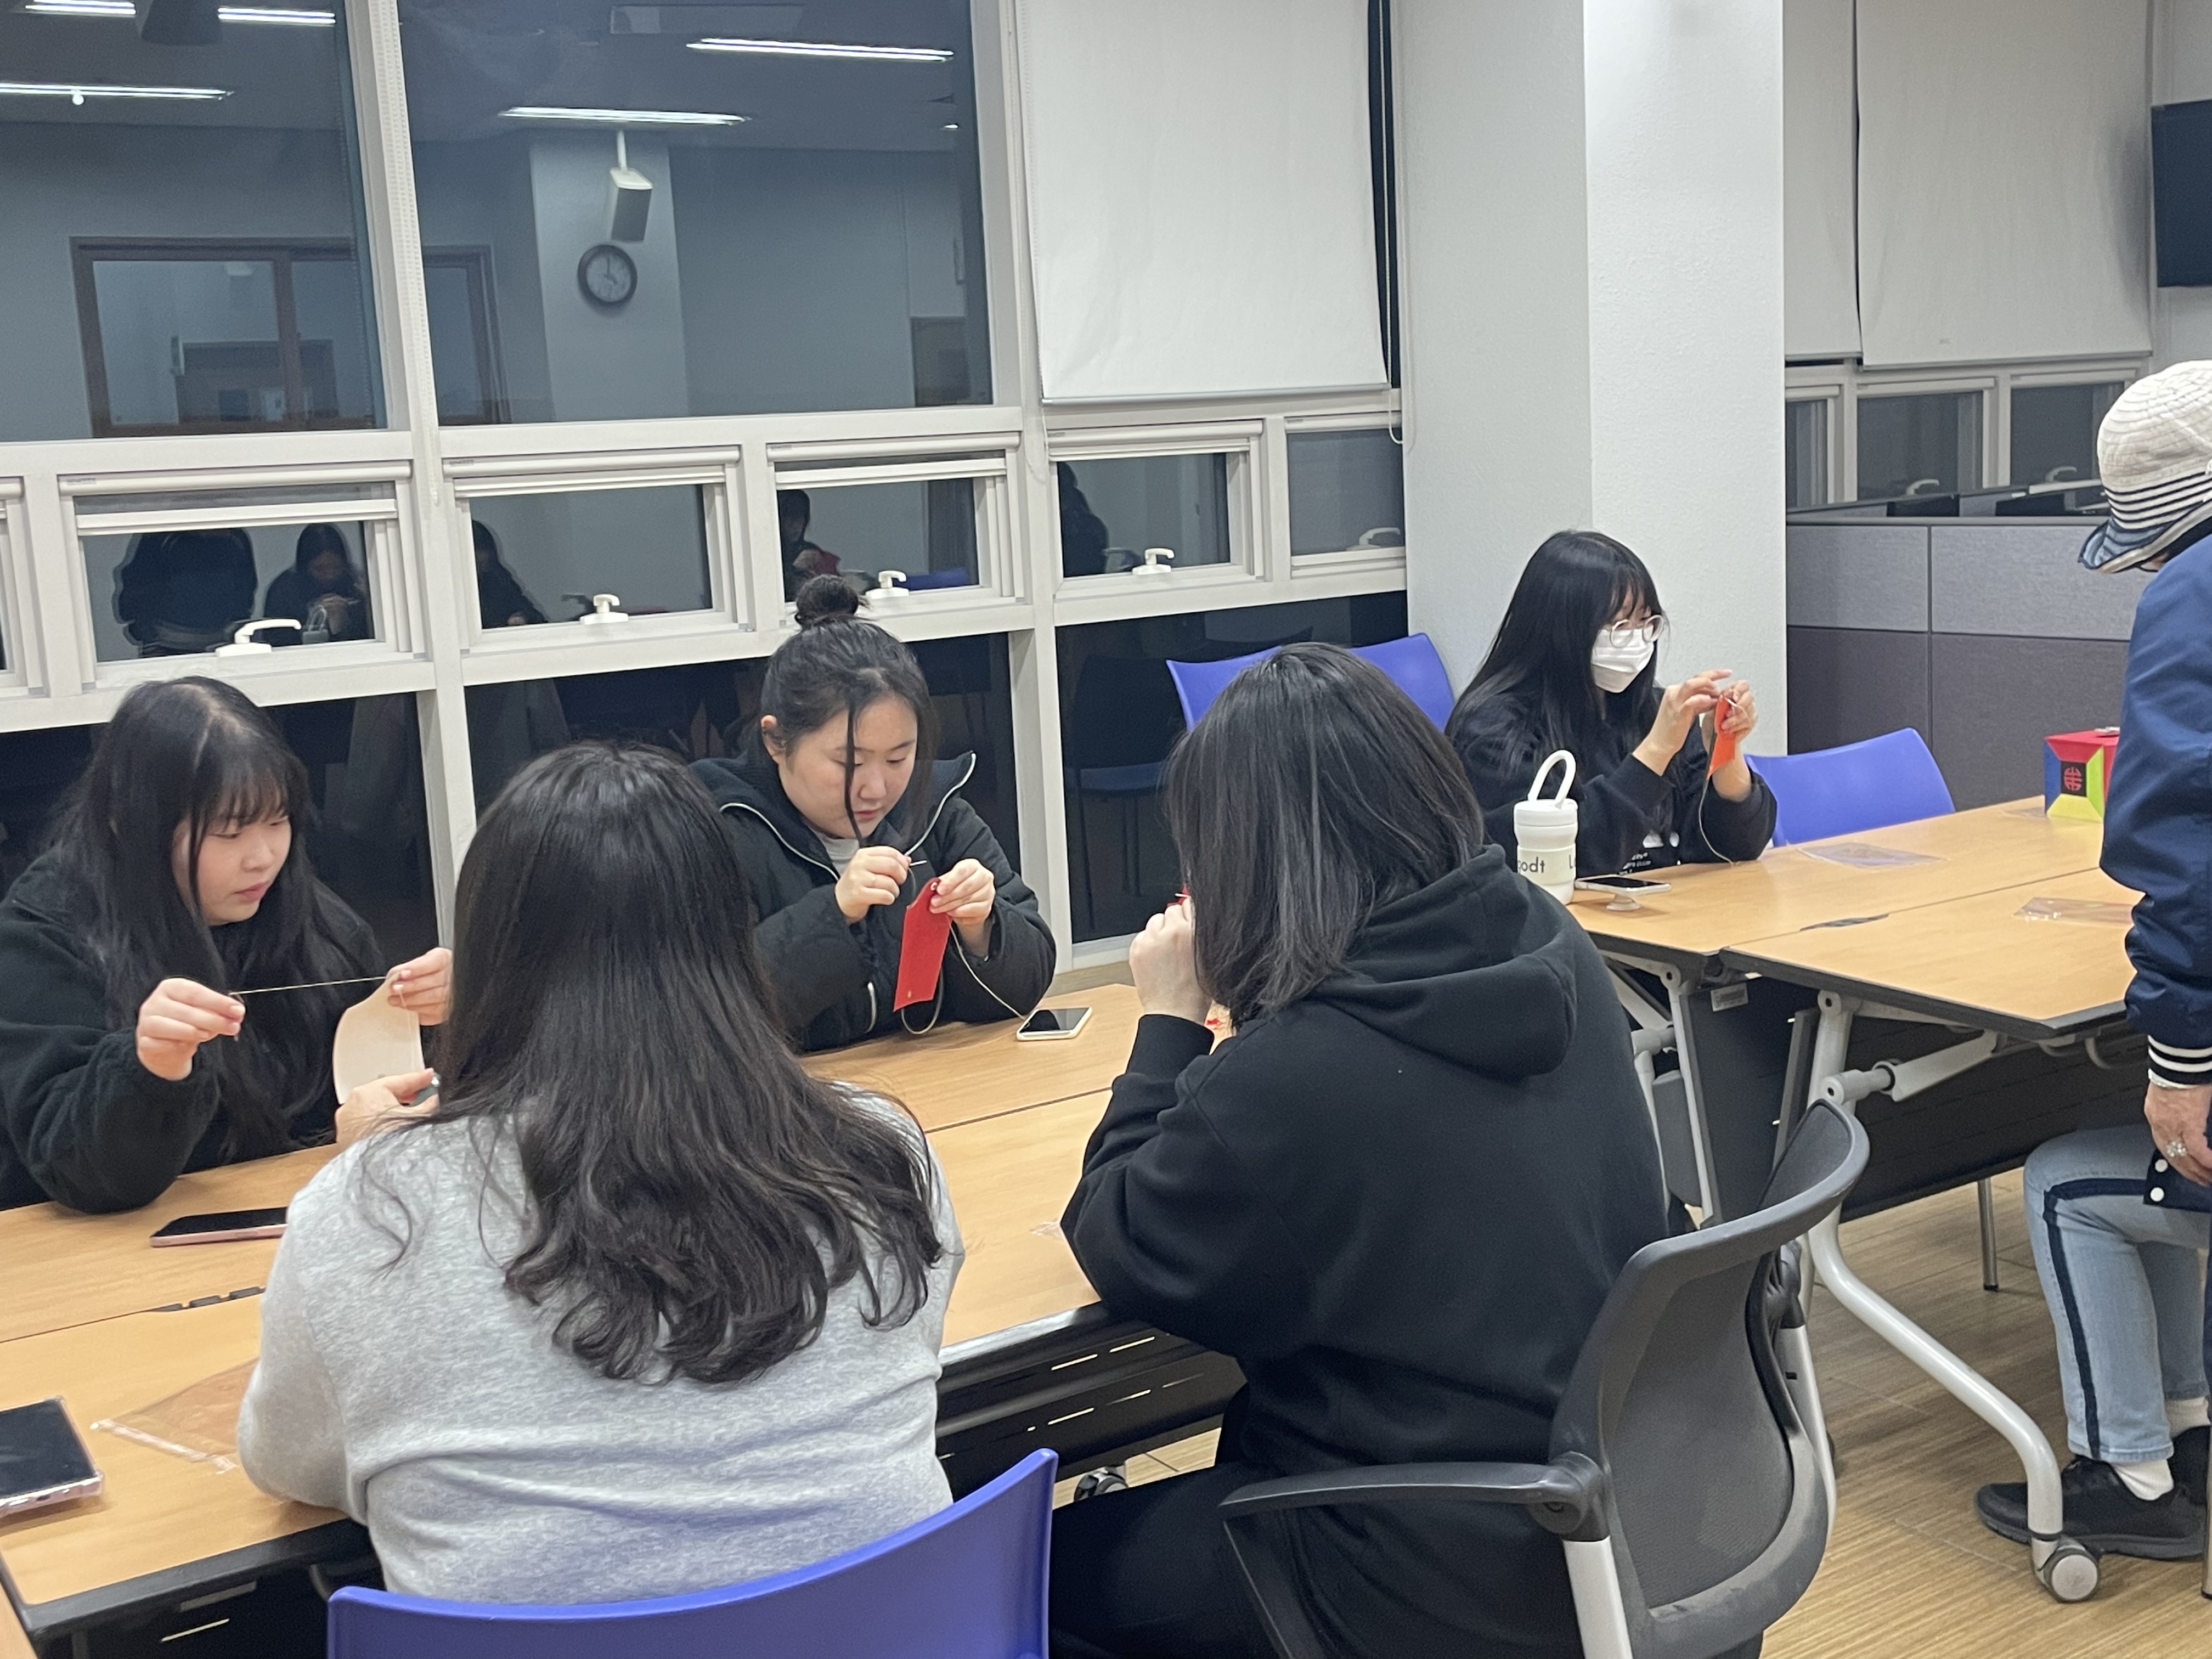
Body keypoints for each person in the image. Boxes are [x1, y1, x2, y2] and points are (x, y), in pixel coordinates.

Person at [1051, 644, 1669, 1659]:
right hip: (1611, 1512)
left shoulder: (1298, 1072)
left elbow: (1122, 1235)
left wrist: (1166, 1022)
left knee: (1027, 1574)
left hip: (1421, 1563)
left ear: (1245, 859)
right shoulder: (1547, 937)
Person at [239, 743, 961, 1605]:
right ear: (731, 944)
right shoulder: (882, 1154)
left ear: (490, 959)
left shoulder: (370, 1208)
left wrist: (378, 1173)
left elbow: (290, 1464)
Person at [1974, 362, 2212, 1558]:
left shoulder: (2197, 589)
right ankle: (2186, 1427)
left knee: (2073, 1178)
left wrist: (2182, 1058)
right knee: (2135, 1149)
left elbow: (2183, 843)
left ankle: (2130, 1477)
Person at [0, 678, 449, 1214]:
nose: (263, 858)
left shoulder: (301, 910)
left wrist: (428, 1021)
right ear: (130, 824)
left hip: (305, 1215)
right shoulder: (46, 932)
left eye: (278, 821)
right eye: (229, 834)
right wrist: (151, 1067)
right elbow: (75, 1172)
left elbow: (381, 1092)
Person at [692, 576, 1053, 1051]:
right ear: (776, 741)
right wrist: (834, 911)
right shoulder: (717, 831)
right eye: (850, 762)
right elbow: (707, 1015)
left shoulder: (937, 810)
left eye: (899, 758)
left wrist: (982, 928)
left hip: (933, 1076)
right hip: (789, 1091)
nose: (877, 789)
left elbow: (1028, 981)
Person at [1447, 530, 1776, 876]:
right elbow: (1566, 861)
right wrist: (1657, 749)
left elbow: (1734, 847)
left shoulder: (1651, 711)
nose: (1636, 640)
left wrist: (1725, 749)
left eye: (1646, 622)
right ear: (1560, 630)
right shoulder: (1493, 728)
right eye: (1619, 625)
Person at [114, 528, 258, 657]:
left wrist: (236, 633)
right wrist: (145, 631)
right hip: (165, 642)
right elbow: (137, 587)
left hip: (221, 642)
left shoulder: (236, 537)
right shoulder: (162, 536)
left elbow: (245, 590)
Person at [262, 523, 371, 644]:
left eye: (336, 568)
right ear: (306, 567)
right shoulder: (284, 591)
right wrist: (314, 617)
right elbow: (275, 640)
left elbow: (371, 635)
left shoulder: (356, 585)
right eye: (320, 569)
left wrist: (344, 620)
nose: (329, 576)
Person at [471, 519, 548, 629]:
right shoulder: (454, 592)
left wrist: (522, 618)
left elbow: (533, 616)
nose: (484, 558)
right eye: (478, 551)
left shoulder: (498, 580)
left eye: (485, 551)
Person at [778, 488, 842, 599]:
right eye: (790, 517)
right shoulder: (771, 554)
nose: (796, 525)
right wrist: (795, 568)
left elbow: (835, 588)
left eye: (801, 517)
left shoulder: (810, 551)